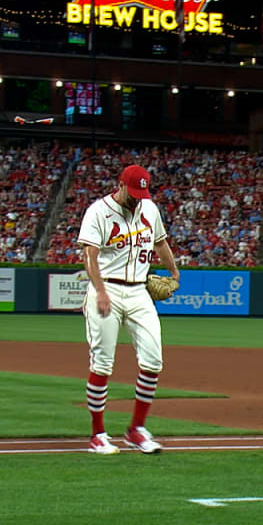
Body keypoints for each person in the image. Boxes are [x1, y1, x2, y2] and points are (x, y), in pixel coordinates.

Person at [77, 164, 180, 455]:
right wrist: (99, 291)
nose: (137, 198)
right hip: (107, 286)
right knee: (102, 365)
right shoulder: (98, 211)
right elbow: (90, 256)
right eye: (133, 192)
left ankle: (136, 429)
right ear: (120, 185)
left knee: (153, 361)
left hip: (139, 291)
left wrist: (174, 272)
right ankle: (98, 434)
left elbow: (160, 242)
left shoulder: (149, 209)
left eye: (141, 193)